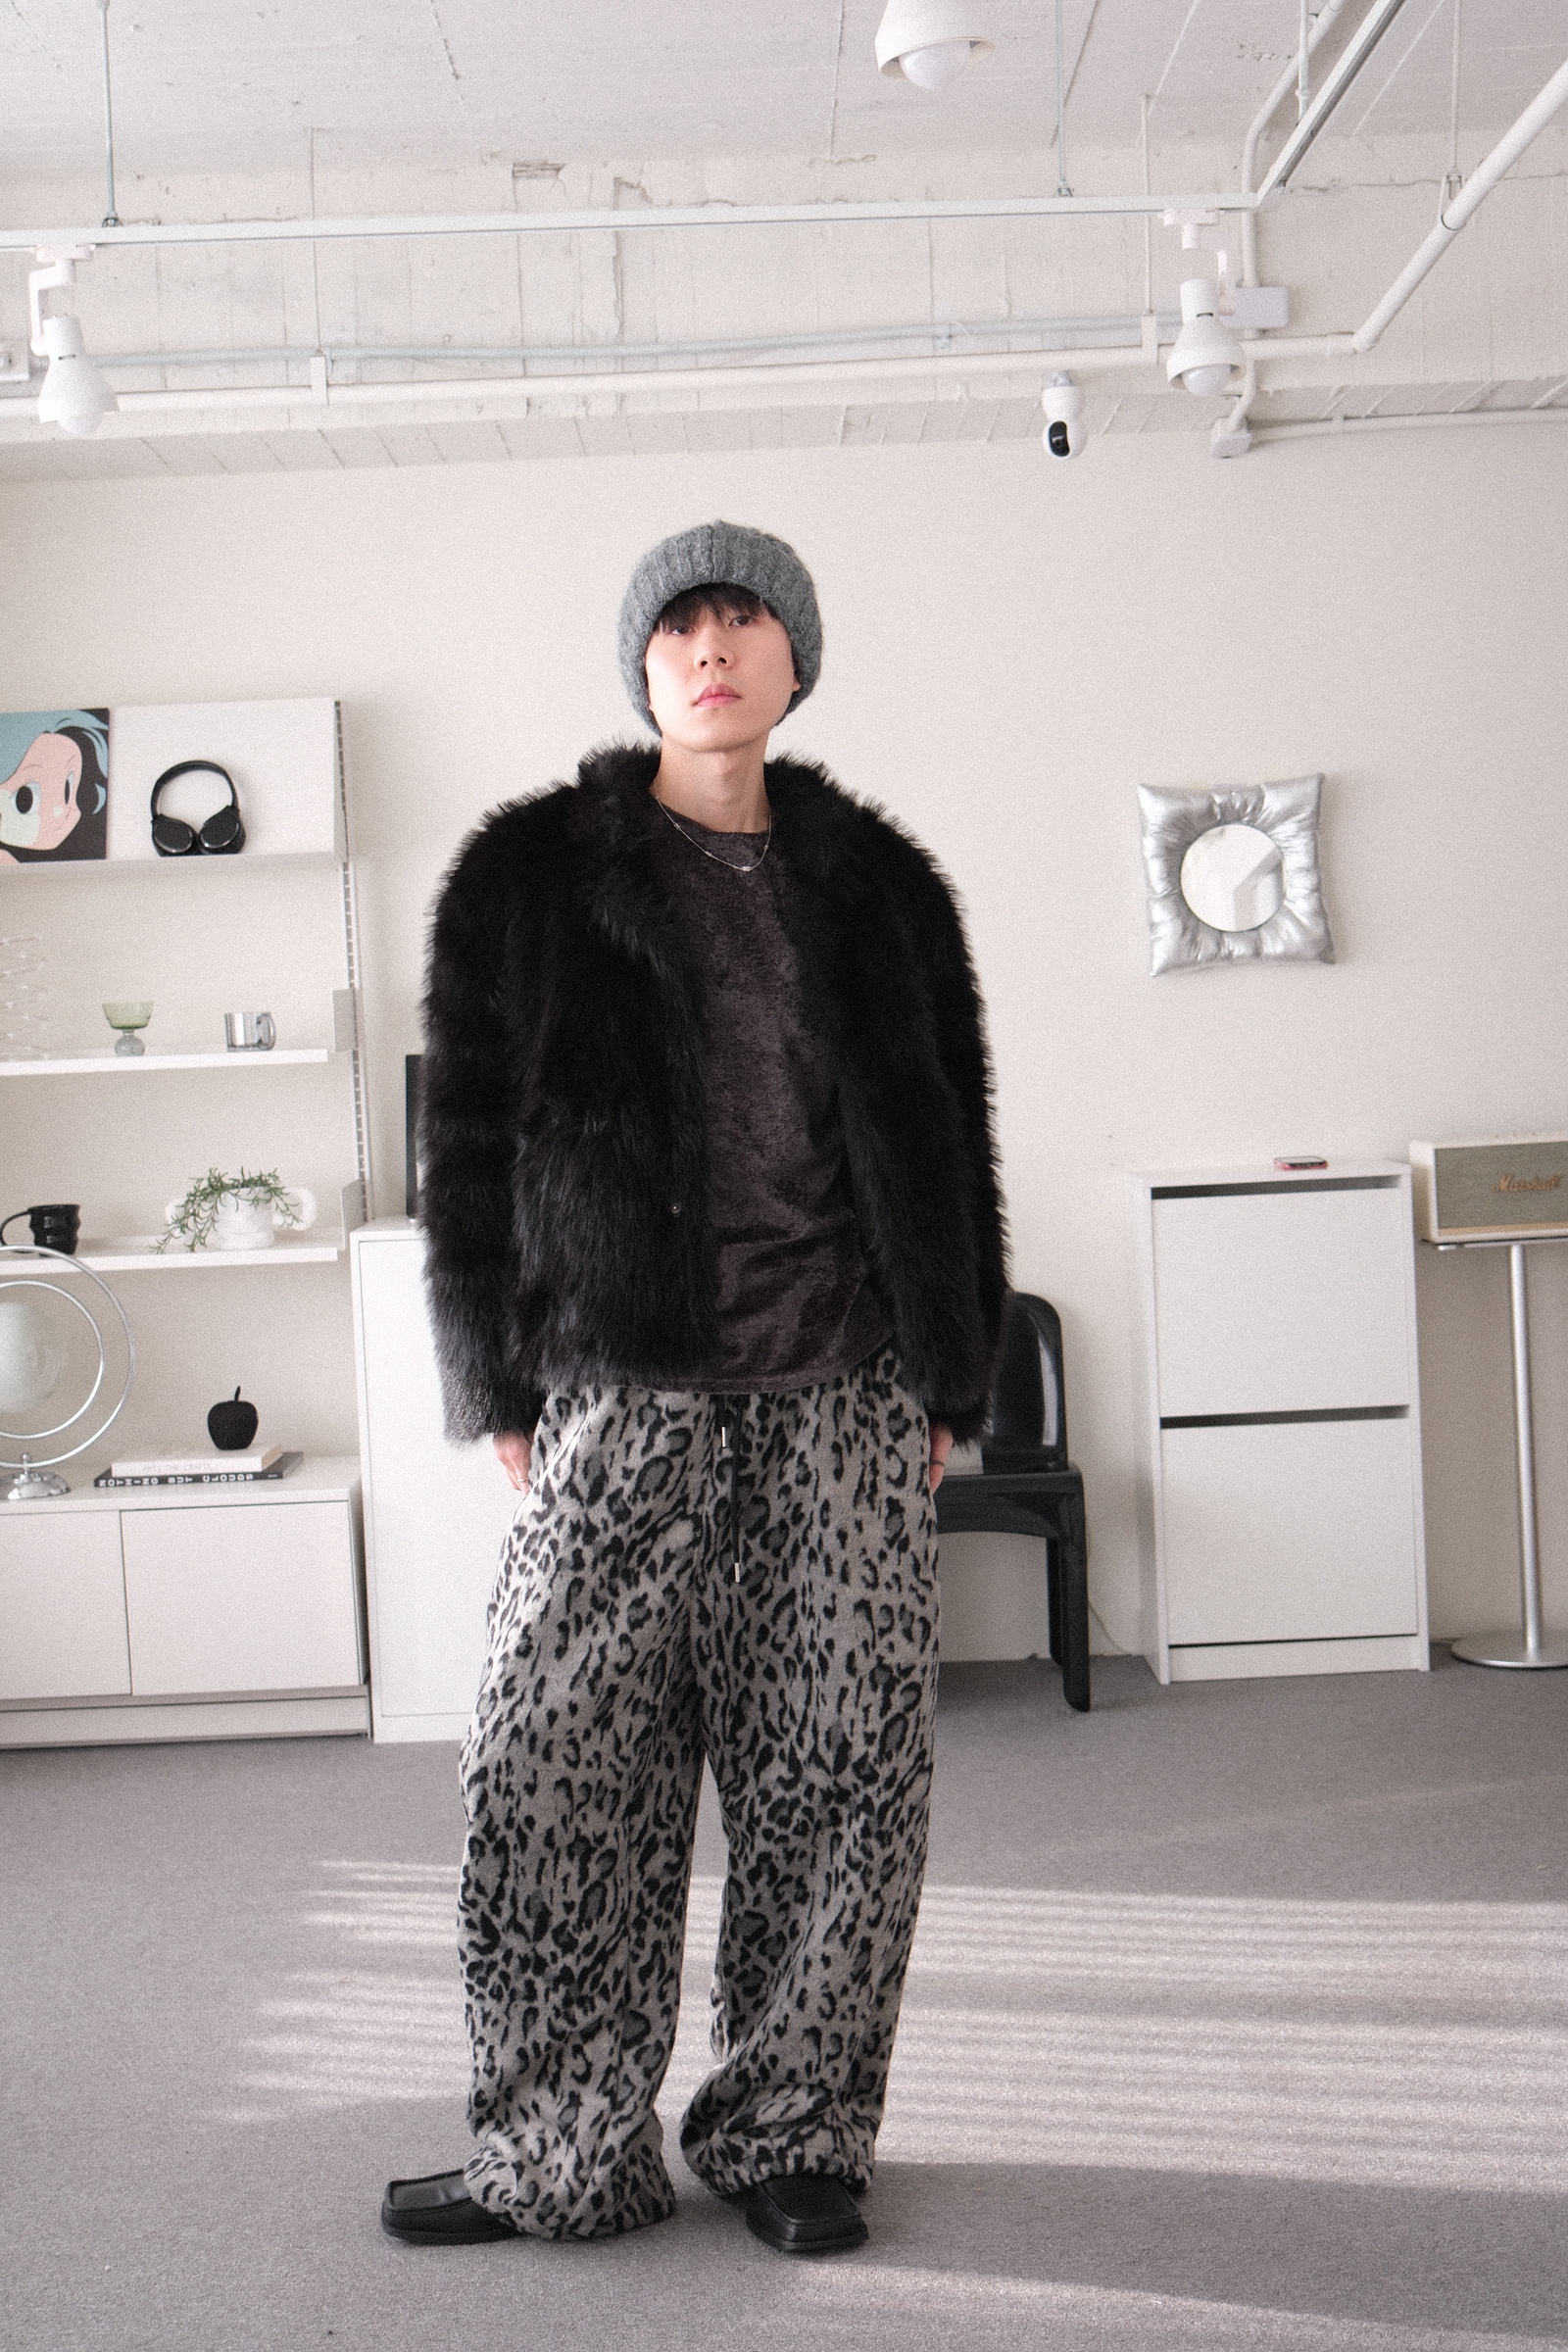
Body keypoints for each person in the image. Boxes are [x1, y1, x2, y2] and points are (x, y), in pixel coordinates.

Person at [385, 520, 1005, 2257]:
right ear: (643, 667)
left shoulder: (887, 887)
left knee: (841, 1779)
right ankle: (556, 2151)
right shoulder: (526, 877)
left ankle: (794, 2133)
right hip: (619, 1384)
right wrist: (492, 1373)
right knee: (550, 1762)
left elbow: (947, 1137)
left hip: (844, 1386)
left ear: (797, 663)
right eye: (680, 627)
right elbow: (469, 1148)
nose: (712, 649)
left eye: (745, 622)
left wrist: (950, 1361)